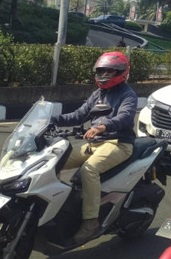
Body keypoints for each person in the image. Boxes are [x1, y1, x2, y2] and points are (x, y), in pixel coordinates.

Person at [52, 52, 137, 243]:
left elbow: (124, 117)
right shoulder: (98, 94)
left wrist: (102, 126)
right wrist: (52, 119)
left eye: (110, 71)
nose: (105, 74)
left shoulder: (128, 95)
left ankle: (90, 222)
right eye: (102, 70)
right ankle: (53, 206)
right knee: (54, 161)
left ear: (122, 72)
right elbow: (79, 114)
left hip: (118, 143)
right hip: (94, 144)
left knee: (89, 170)